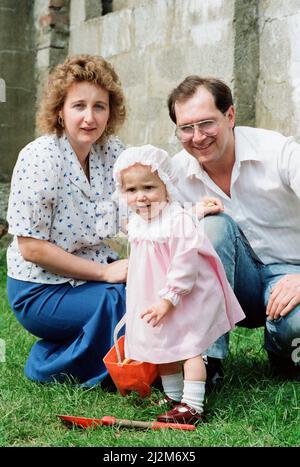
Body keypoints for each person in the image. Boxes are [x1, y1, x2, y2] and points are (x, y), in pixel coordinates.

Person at [6, 54, 128, 388]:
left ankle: (67, 349)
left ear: (111, 111)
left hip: (90, 272)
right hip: (40, 288)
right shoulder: (40, 156)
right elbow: (31, 248)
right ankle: (47, 366)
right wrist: (106, 274)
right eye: (79, 106)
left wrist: (181, 221)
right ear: (60, 110)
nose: (90, 118)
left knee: (148, 291)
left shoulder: (113, 151)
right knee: (117, 301)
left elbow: (135, 213)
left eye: (99, 106)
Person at [167, 75, 300, 382]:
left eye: (206, 123)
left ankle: (282, 349)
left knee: (296, 326)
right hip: (231, 283)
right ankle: (206, 365)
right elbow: (151, 229)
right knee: (212, 226)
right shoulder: (174, 175)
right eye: (186, 128)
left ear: (230, 115)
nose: (198, 137)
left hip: (290, 276)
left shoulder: (277, 151)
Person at [112, 144, 245, 424]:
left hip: (183, 295)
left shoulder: (177, 220)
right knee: (163, 347)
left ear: (167, 186)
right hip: (152, 293)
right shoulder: (138, 222)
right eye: (131, 191)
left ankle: (192, 406)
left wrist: (169, 298)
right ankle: (174, 397)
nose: (141, 197)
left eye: (149, 188)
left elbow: (185, 263)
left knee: (190, 348)